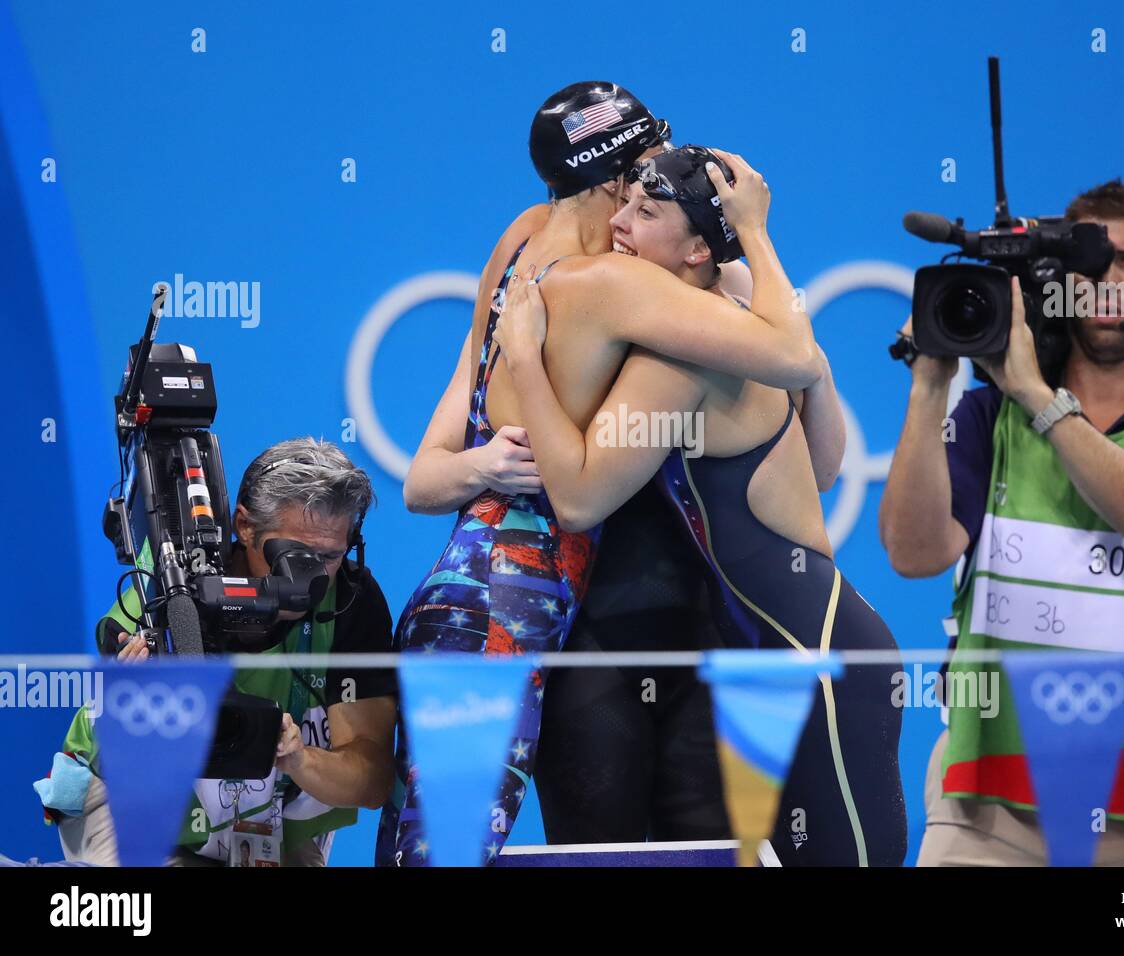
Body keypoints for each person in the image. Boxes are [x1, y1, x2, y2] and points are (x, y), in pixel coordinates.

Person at [380, 83, 822, 866]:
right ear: (620, 174)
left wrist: (481, 463)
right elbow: (793, 355)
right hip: (508, 611)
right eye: (651, 154)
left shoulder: (520, 239)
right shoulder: (614, 284)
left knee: (424, 852)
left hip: (458, 589)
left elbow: (421, 481)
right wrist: (751, 233)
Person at [493, 146, 907, 867]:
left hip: (820, 665)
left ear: (693, 251)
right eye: (624, 203)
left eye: (645, 213)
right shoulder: (734, 319)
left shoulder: (681, 359)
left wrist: (525, 360)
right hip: (794, 657)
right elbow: (824, 465)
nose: (617, 222)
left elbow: (580, 495)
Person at [878, 179, 1124, 866]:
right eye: (1091, 260)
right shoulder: (990, 420)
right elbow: (913, 552)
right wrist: (931, 383)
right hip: (981, 806)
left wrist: (1035, 393)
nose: (1108, 279)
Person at [44, 438, 397, 867]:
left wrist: (300, 760)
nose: (312, 579)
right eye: (295, 555)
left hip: (274, 808)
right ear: (245, 527)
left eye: (329, 556)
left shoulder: (353, 598)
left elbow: (372, 779)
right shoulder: (175, 575)